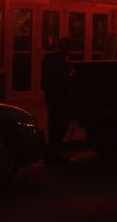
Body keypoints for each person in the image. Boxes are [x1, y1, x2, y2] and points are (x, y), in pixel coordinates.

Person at [41, 37, 74, 166]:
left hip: (52, 97)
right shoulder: (60, 61)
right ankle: (54, 155)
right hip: (59, 98)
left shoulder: (50, 59)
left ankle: (51, 154)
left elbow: (45, 79)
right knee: (59, 126)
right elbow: (63, 80)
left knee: (54, 125)